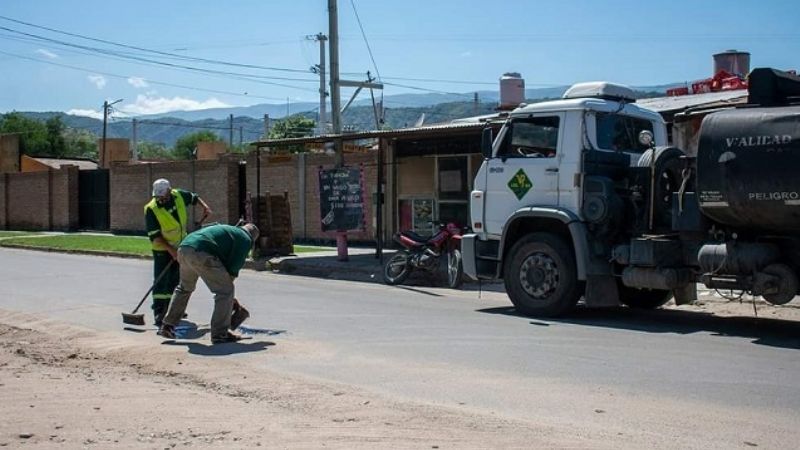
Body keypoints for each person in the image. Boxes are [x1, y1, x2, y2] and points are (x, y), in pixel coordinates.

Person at [157, 223, 259, 344]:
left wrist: (226, 291)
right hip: (201, 252)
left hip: (184, 248)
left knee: (184, 288)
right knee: (225, 292)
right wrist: (228, 296)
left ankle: (168, 325)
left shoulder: (230, 231)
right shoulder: (245, 240)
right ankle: (220, 334)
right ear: (253, 239)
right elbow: (233, 268)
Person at [144, 178, 212, 326]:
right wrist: (171, 251)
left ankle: (175, 310)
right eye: (158, 197)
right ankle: (159, 312)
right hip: (162, 249)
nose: (161, 199)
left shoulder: (179, 195)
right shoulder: (151, 209)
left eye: (163, 196)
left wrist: (205, 207)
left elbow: (194, 197)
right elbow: (155, 236)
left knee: (177, 280)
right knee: (162, 282)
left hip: (181, 246)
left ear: (169, 191)